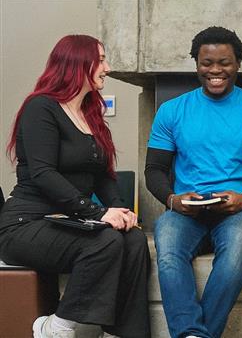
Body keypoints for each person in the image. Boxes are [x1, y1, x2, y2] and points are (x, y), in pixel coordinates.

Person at [0, 35, 149, 338]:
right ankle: (57, 327)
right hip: (26, 224)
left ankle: (124, 333)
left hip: (68, 222)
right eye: (101, 60)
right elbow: (43, 173)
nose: (107, 68)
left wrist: (120, 211)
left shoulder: (90, 114)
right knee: (104, 241)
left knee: (133, 239)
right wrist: (99, 213)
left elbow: (104, 176)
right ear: (78, 63)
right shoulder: (40, 108)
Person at [144, 26, 242, 338]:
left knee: (237, 252)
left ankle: (193, 335)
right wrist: (173, 200)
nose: (215, 71)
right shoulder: (172, 111)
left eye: (224, 63)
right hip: (187, 211)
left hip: (241, 210)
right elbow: (154, 170)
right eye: (207, 63)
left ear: (238, 64)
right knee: (167, 247)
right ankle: (193, 334)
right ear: (196, 64)